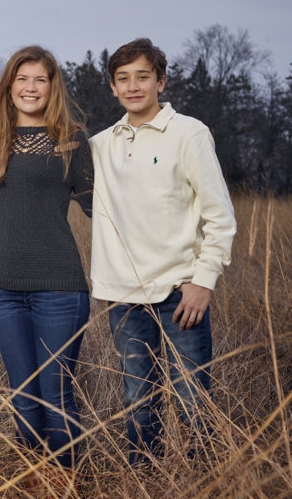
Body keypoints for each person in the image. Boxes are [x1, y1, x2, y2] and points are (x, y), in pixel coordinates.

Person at [90, 38, 236, 466]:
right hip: (124, 295)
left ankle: (202, 485)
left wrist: (202, 281)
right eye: (123, 79)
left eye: (142, 77)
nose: (133, 86)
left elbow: (220, 216)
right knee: (138, 399)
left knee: (193, 399)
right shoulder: (101, 145)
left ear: (161, 81)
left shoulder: (189, 133)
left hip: (180, 292)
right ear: (113, 88)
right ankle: (144, 484)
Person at [0, 46, 93, 475]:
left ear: (52, 86)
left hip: (59, 288)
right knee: (23, 397)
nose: (30, 87)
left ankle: (65, 486)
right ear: (9, 87)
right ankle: (36, 485)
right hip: (5, 289)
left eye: (39, 79)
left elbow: (104, 207)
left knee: (56, 395)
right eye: (21, 79)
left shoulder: (72, 140)